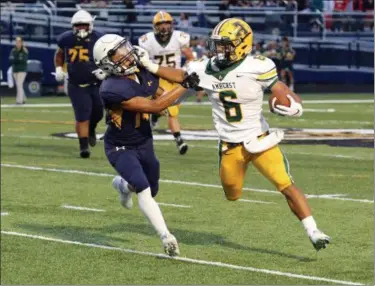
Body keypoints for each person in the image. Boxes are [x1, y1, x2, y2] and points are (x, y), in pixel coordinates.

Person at [139, 18, 331, 251]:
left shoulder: (258, 66)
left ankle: (313, 231)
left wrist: (294, 106)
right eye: (218, 44)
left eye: (225, 44)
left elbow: (282, 90)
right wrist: (150, 67)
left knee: (286, 184)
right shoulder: (204, 68)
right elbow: (181, 75)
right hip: (230, 145)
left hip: (260, 140)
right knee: (232, 193)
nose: (219, 49)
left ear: (242, 44)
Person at [93, 34, 199, 256]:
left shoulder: (141, 72)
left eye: (124, 48)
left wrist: (187, 85)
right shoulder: (111, 87)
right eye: (118, 53)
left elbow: (168, 99)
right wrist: (184, 86)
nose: (125, 54)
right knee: (143, 187)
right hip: (120, 145)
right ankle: (166, 236)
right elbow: (154, 106)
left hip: (144, 141)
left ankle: (123, 186)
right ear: (107, 62)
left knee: (152, 187)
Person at [138, 11, 195, 155]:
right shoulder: (146, 40)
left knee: (170, 109)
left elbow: (190, 57)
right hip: (158, 77)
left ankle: (156, 116)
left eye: (167, 23)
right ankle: (179, 140)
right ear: (154, 26)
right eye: (160, 24)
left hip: (174, 77)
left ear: (172, 24)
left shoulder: (179, 37)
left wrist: (183, 71)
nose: (164, 27)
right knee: (171, 110)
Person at [54, 10, 106, 159]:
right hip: (76, 84)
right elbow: (59, 54)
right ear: (73, 26)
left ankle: (91, 129)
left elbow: (109, 57)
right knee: (82, 116)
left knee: (98, 113)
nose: (81, 28)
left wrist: (104, 70)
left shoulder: (99, 38)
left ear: (90, 25)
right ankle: (84, 147)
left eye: (84, 25)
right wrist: (58, 68)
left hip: (96, 83)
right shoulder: (66, 39)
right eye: (78, 25)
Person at [9, 36, 28, 105]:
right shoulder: (13, 50)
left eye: (19, 42)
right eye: (16, 42)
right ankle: (23, 98)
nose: (17, 43)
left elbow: (23, 60)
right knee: (19, 85)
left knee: (19, 84)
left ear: (22, 43)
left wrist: (15, 60)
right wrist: (16, 60)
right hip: (15, 70)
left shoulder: (24, 51)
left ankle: (19, 101)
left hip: (22, 70)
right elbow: (11, 60)